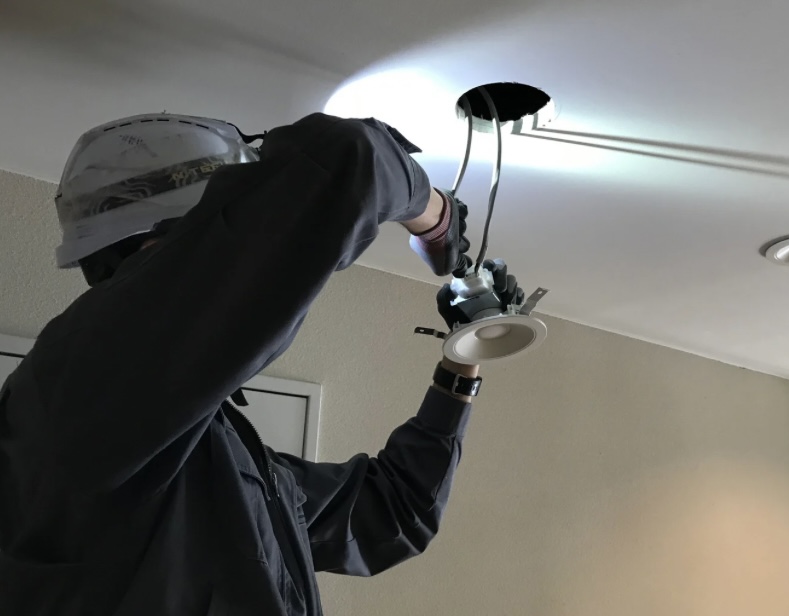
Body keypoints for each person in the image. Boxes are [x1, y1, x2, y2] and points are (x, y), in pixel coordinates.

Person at [0, 112, 523, 615]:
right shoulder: (81, 382)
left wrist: (464, 357)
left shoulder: (229, 471)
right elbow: (347, 157)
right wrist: (438, 220)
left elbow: (395, 514)